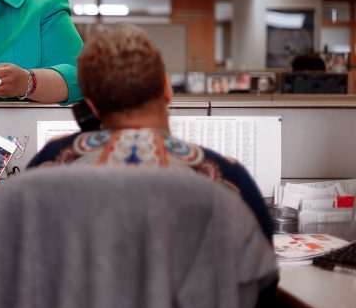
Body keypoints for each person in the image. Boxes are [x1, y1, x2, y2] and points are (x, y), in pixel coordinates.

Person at [28, 23, 273, 240]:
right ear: (167, 88)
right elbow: (261, 281)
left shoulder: (50, 163)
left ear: (90, 106)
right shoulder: (227, 178)